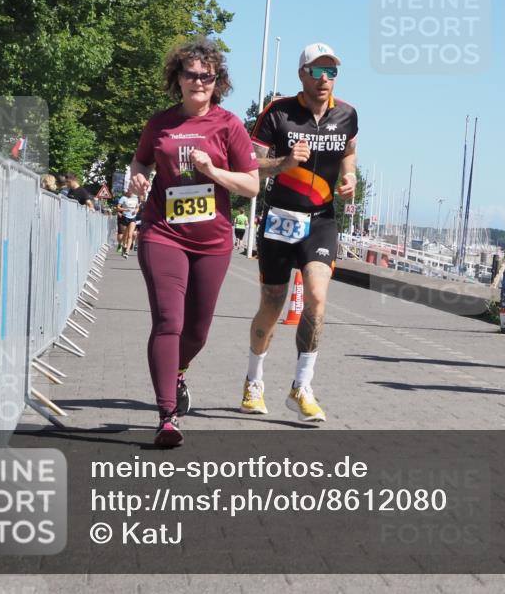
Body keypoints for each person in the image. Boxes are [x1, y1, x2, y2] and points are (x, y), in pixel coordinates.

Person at [129, 37, 259, 447]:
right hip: (162, 232)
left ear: (217, 80)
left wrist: (215, 171)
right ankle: (167, 416)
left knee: (197, 331)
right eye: (191, 74)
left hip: (212, 241)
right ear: (178, 78)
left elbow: (252, 185)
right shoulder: (161, 123)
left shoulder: (228, 124)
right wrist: (137, 177)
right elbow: (141, 160)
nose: (199, 81)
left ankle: (179, 369)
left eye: (207, 76)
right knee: (169, 320)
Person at [243, 42, 357, 423]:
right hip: (279, 217)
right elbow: (251, 164)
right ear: (301, 74)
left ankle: (302, 386)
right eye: (317, 71)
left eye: (332, 72)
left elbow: (350, 152)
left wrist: (350, 176)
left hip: (321, 219)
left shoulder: (347, 114)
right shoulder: (278, 113)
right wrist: (285, 162)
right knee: (272, 304)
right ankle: (254, 381)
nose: (325, 79)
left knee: (318, 298)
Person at [116, 187, 140, 258]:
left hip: (133, 218)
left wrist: (136, 210)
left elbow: (137, 207)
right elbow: (118, 207)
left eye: (132, 191)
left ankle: (127, 251)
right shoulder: (123, 198)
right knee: (124, 235)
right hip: (125, 217)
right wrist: (125, 209)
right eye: (130, 190)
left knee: (130, 235)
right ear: (127, 191)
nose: (131, 192)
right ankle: (124, 246)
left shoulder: (136, 198)